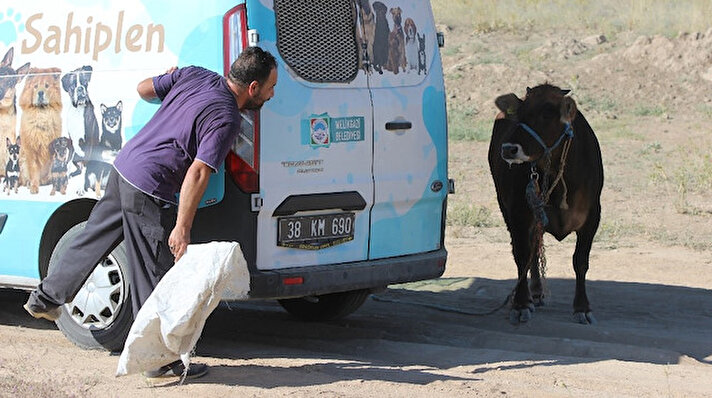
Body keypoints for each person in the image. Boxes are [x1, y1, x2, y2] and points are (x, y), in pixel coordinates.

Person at [23, 46, 278, 381]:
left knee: (93, 240)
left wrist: (173, 85)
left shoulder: (196, 74)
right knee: (153, 274)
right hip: (151, 185)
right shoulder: (228, 117)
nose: (272, 95)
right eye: (271, 88)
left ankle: (43, 299)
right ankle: (159, 360)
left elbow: (144, 89)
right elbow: (199, 172)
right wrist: (183, 228)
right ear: (253, 88)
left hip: (126, 167)